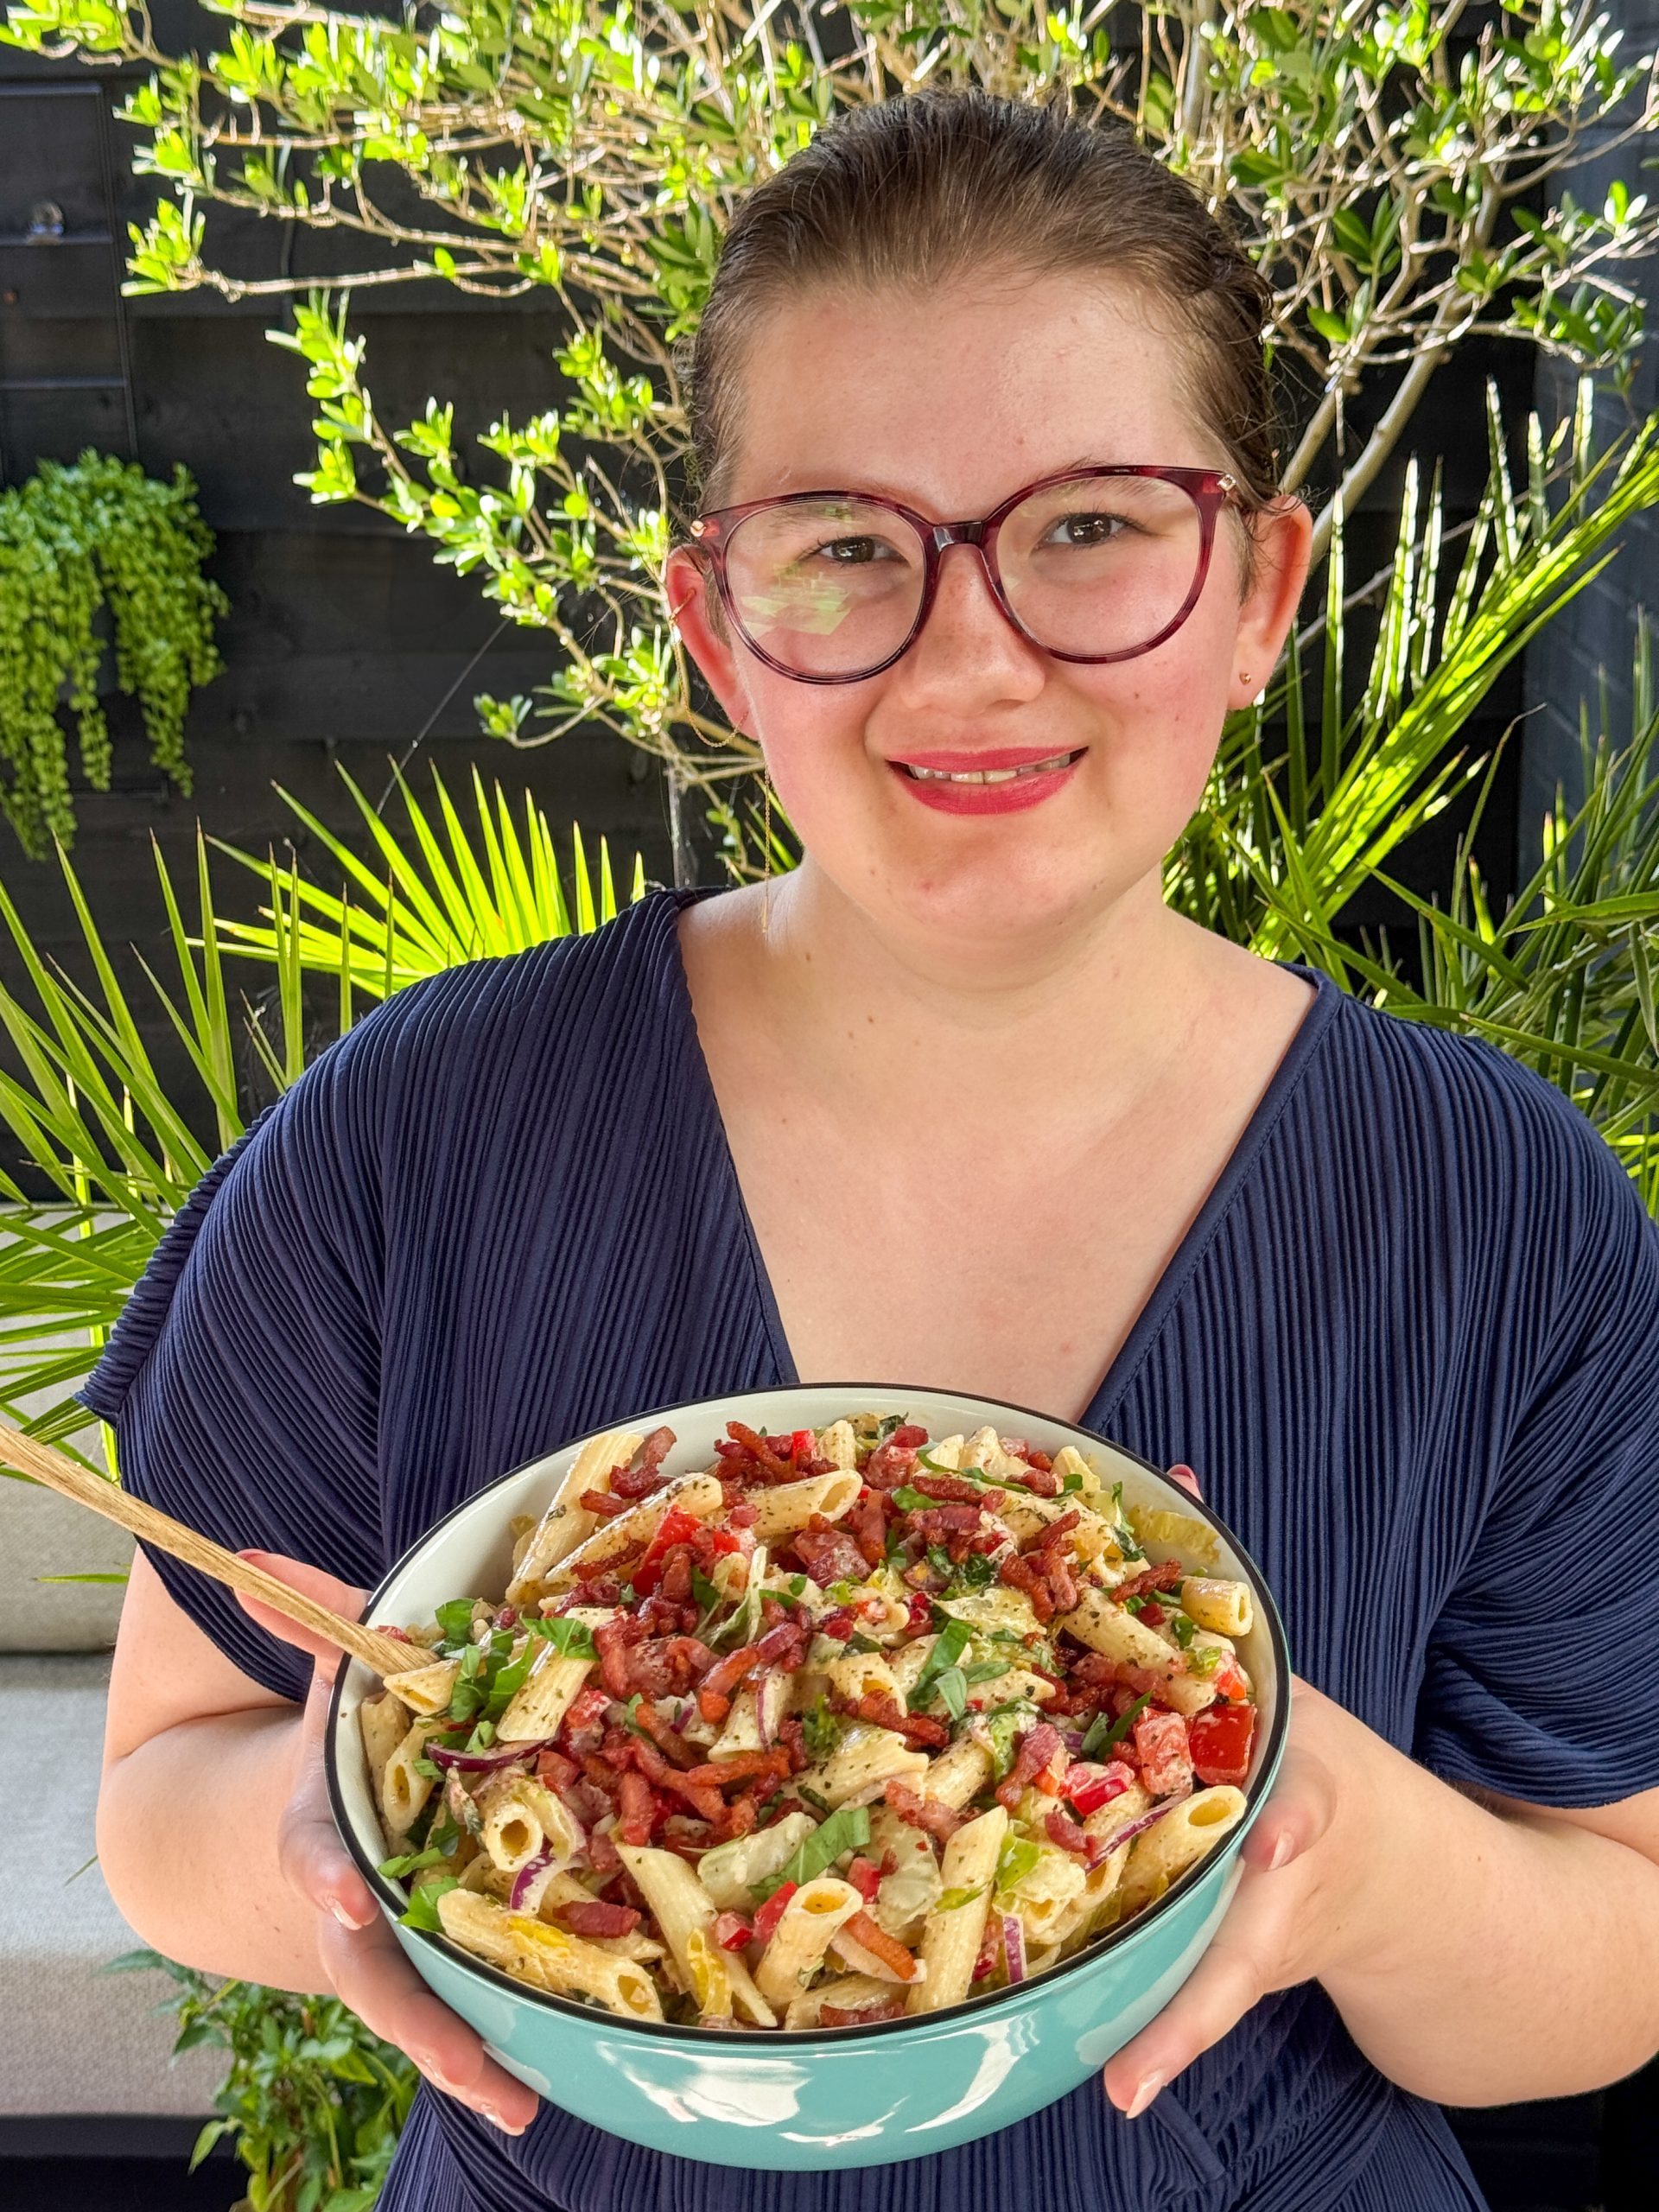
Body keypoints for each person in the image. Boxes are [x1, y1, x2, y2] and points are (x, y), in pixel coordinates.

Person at [83, 84, 1659, 2212]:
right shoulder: (416, 1131)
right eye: (850, 549)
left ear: (1259, 584)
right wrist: (305, 1839)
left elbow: (1615, 1941)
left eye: (1091, 524)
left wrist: (1373, 1868)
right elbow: (167, 1784)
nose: (978, 650)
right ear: (724, 626)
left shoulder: (1498, 1210)